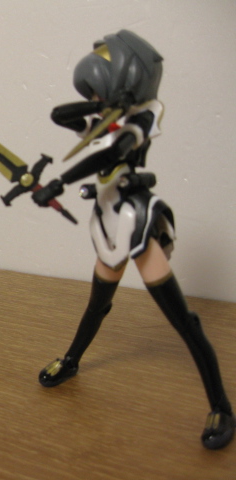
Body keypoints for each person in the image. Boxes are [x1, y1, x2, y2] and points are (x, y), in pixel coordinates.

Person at [32, 30, 234, 449]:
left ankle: (221, 406)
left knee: (182, 320)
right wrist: (101, 107)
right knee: (97, 303)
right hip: (107, 219)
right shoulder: (106, 119)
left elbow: (108, 155)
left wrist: (60, 182)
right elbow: (60, 115)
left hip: (135, 218)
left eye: (96, 91)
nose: (92, 100)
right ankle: (71, 361)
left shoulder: (141, 120)